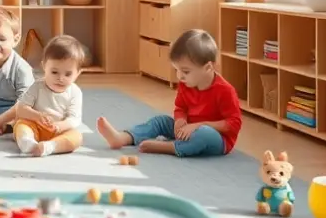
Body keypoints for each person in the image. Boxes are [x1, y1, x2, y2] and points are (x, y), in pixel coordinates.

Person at [97, 29, 242, 157]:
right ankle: (122, 138)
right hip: (186, 129)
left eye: (185, 71)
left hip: (216, 139)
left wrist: (198, 125)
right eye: (176, 70)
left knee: (203, 134)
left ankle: (170, 147)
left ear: (208, 67)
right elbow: (181, 108)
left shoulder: (225, 91)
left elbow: (233, 124)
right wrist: (180, 120)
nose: (179, 76)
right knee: (160, 121)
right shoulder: (186, 83)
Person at [12, 35, 86, 156]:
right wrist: (37, 116)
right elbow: (21, 109)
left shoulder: (75, 92)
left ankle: (50, 146)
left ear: (77, 73)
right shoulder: (37, 86)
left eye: (68, 74)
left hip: (59, 131)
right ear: (44, 67)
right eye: (54, 72)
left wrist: (59, 126)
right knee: (21, 125)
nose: (60, 78)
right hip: (35, 126)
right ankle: (27, 142)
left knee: (77, 137)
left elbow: (74, 119)